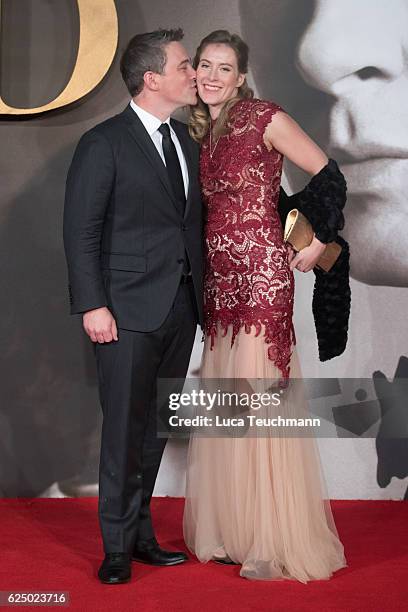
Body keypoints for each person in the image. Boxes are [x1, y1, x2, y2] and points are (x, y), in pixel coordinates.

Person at [183, 30, 347, 582]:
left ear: (241, 76)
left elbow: (328, 175)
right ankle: (238, 528)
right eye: (203, 65)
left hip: (261, 279)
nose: (210, 76)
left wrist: (320, 240)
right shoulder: (201, 132)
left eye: (223, 68)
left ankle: (272, 538)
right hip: (220, 283)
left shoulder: (264, 117)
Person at [63, 28, 203, 584]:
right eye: (185, 65)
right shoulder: (103, 143)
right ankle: (116, 547)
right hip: (122, 312)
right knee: (124, 430)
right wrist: (93, 306)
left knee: (153, 432)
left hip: (181, 308)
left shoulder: (186, 142)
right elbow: (81, 232)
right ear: (153, 79)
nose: (195, 74)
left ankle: (141, 536)